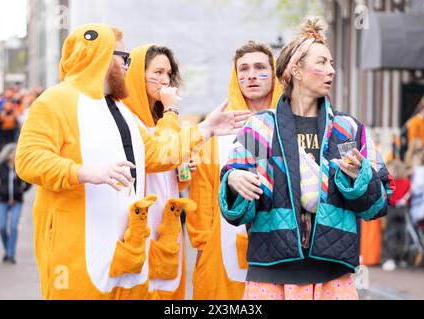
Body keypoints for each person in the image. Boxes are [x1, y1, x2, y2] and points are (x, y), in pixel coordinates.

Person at [15, 24, 248, 300]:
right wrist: (83, 172)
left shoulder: (119, 110)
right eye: (123, 58)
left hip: (130, 255)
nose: (127, 66)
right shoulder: (56, 101)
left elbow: (156, 154)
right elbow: (28, 159)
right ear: (101, 54)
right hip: (77, 255)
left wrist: (205, 129)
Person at [218, 16, 395, 300]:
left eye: (332, 63)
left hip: (333, 275)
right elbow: (236, 211)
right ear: (295, 71)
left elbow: (379, 203)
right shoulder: (259, 127)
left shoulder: (347, 129)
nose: (331, 71)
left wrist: (362, 177)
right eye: (322, 63)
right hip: (271, 274)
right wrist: (232, 180)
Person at [121, 44, 239, 300]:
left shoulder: (162, 119)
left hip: (166, 218)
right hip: (141, 218)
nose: (164, 80)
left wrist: (183, 171)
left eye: (168, 73)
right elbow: (158, 155)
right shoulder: (128, 118)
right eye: (157, 72)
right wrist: (172, 111)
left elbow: (172, 165)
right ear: (136, 75)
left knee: (167, 286)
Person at [187, 41, 283, 300]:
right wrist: (204, 246)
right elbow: (202, 197)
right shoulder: (219, 131)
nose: (251, 75)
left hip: (283, 253)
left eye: (260, 67)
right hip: (223, 256)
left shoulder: (290, 126)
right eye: (244, 69)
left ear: (273, 75)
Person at [0, 143, 31, 264]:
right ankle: (8, 249)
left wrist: (20, 191)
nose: (14, 155)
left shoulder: (20, 167)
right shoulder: (1, 167)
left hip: (17, 202)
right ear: (7, 154)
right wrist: (0, 192)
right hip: (3, 201)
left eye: (15, 153)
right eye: (12, 153)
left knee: (13, 227)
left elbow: (28, 182)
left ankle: (10, 254)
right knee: (2, 227)